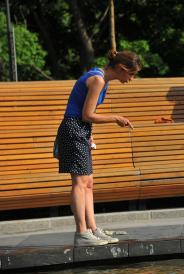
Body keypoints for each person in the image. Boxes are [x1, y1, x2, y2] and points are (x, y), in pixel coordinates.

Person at [54, 50, 141, 246]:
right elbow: (86, 114)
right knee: (80, 182)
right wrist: (116, 118)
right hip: (73, 129)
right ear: (121, 68)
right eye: (131, 74)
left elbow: (83, 113)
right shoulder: (98, 80)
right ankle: (81, 233)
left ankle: (92, 229)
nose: (131, 79)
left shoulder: (103, 79)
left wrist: (89, 133)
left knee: (88, 182)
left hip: (81, 130)